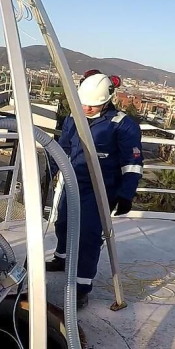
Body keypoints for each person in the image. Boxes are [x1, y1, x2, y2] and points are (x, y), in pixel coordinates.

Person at [46, 71, 143, 308]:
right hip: (72, 181)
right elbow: (64, 146)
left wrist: (125, 195)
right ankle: (62, 258)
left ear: (107, 100)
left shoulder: (122, 125)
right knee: (63, 224)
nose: (87, 108)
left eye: (93, 105)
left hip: (100, 190)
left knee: (88, 237)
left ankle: (81, 287)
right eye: (84, 104)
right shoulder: (73, 117)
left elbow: (132, 163)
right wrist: (49, 170)